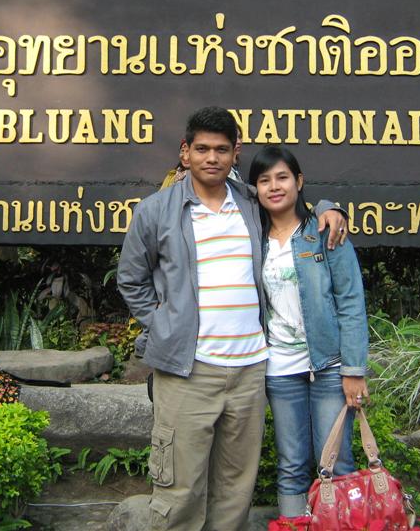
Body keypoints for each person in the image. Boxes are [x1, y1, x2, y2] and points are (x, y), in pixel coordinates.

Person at [117, 107, 347, 531]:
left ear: (235, 152)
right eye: (202, 148)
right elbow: (130, 279)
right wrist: (163, 325)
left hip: (249, 372)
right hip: (188, 371)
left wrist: (329, 208)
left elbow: (292, 207)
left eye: (222, 149)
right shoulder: (156, 211)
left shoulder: (249, 202)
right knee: (180, 491)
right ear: (185, 152)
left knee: (235, 490)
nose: (212, 158)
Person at [248, 145, 369, 522]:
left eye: (282, 177)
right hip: (280, 368)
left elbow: (351, 302)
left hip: (329, 366)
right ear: (255, 189)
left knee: (336, 461)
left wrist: (354, 370)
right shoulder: (253, 238)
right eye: (264, 180)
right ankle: (293, 525)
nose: (274, 186)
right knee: (290, 465)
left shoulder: (323, 231)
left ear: (299, 182)